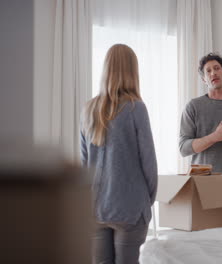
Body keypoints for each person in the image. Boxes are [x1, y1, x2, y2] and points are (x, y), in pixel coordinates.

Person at [80, 44, 158, 264]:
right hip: (130, 207)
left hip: (96, 207)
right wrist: (146, 201)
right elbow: (149, 162)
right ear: (133, 71)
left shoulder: (88, 110)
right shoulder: (136, 108)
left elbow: (84, 165)